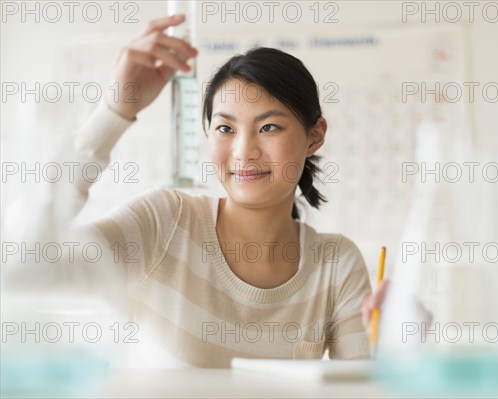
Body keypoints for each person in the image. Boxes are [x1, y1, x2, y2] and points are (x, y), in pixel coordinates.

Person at [21, 14, 374, 368]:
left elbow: (361, 391)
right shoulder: (164, 223)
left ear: (314, 136)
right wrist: (116, 110)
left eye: (268, 127)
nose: (243, 151)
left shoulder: (337, 264)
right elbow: (25, 264)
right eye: (225, 128)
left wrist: (402, 345)